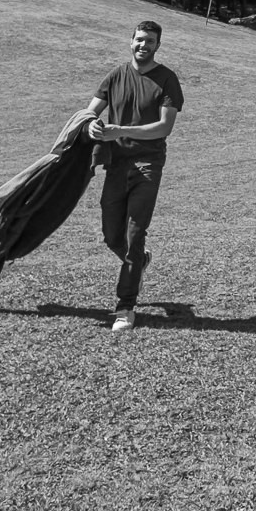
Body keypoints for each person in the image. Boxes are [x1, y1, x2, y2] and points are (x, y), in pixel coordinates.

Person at [84, 19, 184, 332]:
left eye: (150, 41)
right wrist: (91, 125)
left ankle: (125, 307)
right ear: (131, 41)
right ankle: (140, 260)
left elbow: (164, 127)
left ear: (158, 46)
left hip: (147, 164)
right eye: (139, 39)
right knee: (111, 235)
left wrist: (120, 130)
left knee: (135, 233)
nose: (144, 45)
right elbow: (90, 112)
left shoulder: (166, 79)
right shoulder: (116, 75)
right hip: (116, 164)